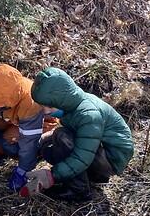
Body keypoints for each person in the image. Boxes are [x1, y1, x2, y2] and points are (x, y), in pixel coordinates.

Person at [21, 67, 134, 201]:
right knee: (53, 142)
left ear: (63, 100)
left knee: (62, 137)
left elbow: (83, 156)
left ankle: (78, 190)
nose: (45, 111)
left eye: (50, 107)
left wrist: (52, 176)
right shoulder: (73, 105)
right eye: (43, 106)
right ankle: (86, 177)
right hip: (98, 150)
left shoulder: (89, 115)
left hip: (112, 157)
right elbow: (81, 136)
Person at [0, 64, 62, 191]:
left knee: (9, 144)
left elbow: (29, 142)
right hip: (12, 118)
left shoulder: (31, 104)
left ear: (9, 102)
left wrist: (22, 171)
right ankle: (0, 154)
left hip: (40, 124)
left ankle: (35, 156)